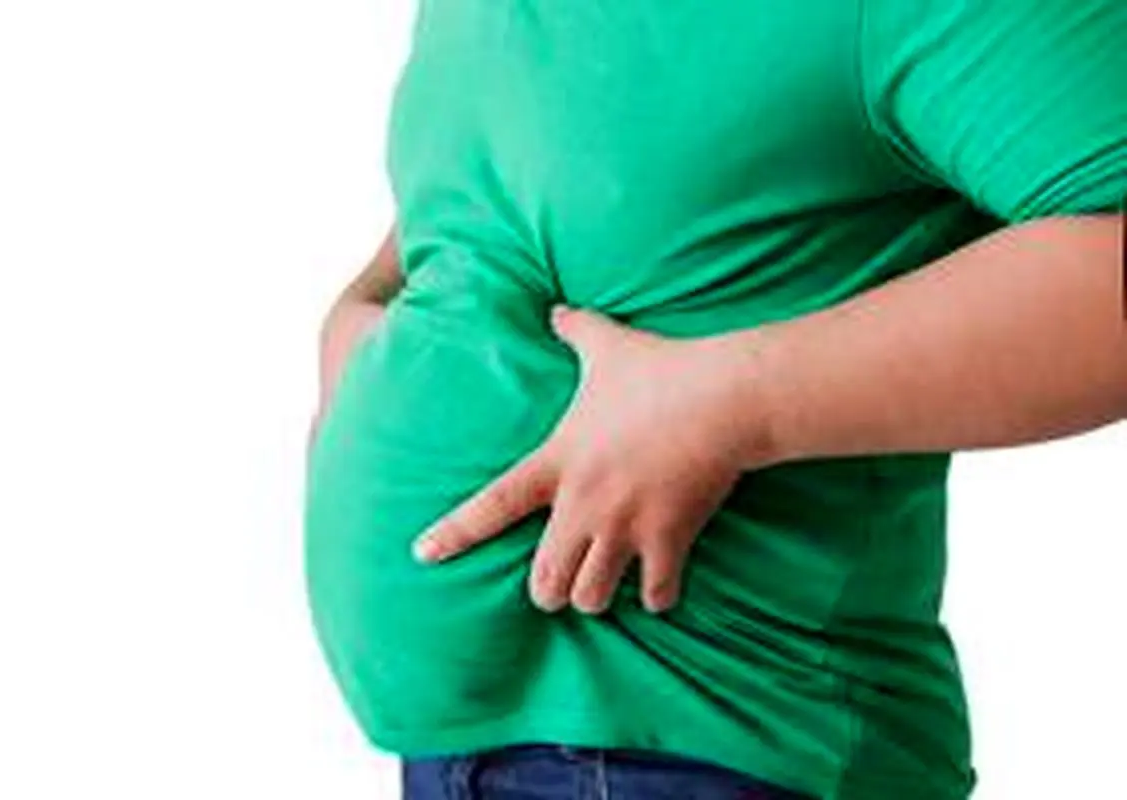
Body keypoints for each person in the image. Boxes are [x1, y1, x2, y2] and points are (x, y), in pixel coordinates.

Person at [304, 1, 1127, 798]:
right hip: (464, 749)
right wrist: (363, 313)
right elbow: (503, 188)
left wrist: (733, 407)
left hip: (706, 732)